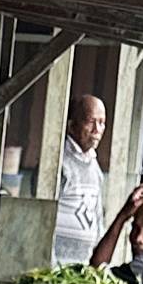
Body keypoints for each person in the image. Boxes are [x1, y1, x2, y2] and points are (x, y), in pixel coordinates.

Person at [53, 93, 107, 265]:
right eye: (91, 122)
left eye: (102, 122)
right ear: (71, 125)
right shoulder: (60, 162)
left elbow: (97, 214)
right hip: (57, 266)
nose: (97, 129)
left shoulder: (94, 164)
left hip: (82, 265)